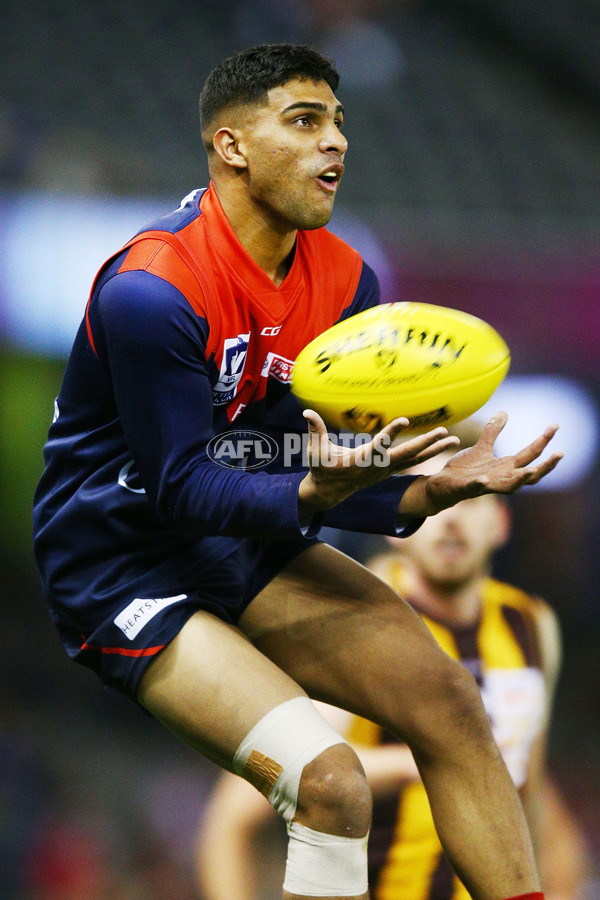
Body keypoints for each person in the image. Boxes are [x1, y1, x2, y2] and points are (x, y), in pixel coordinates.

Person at [33, 43, 563, 900]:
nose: (337, 145)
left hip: (244, 536)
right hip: (123, 561)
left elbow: (307, 457)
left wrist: (427, 489)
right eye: (306, 121)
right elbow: (184, 484)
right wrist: (313, 493)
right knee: (331, 785)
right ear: (231, 147)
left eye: (340, 125)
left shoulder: (345, 282)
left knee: (457, 709)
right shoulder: (152, 290)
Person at [196, 421, 589, 900]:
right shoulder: (353, 622)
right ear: (398, 526)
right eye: (438, 498)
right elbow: (232, 821)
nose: (451, 519)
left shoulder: (531, 625)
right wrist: (413, 760)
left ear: (501, 521)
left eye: (471, 498)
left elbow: (528, 788)